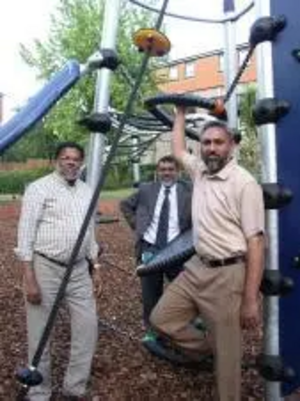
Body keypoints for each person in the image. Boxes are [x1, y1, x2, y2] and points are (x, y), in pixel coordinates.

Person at [149, 109, 265, 401]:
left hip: (228, 275)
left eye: (218, 142)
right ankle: (210, 348)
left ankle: (224, 356)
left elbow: (256, 244)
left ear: (231, 146)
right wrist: (180, 113)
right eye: (207, 142)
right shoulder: (200, 170)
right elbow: (177, 149)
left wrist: (250, 300)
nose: (211, 148)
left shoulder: (244, 183)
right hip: (195, 269)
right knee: (161, 319)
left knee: (227, 371)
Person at [15, 142, 100, 401]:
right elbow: (25, 233)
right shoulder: (39, 188)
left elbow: (90, 232)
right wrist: (28, 277)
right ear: (57, 161)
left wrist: (96, 266)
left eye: (75, 159)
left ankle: (75, 388)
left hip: (78, 271)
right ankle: (39, 391)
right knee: (40, 331)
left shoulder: (87, 191)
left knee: (88, 326)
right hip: (46, 267)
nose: (71, 162)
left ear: (81, 162)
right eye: (65, 158)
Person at [120, 155, 192, 342]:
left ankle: (183, 326)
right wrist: (138, 226)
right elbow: (125, 205)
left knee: (186, 290)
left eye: (170, 169)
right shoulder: (146, 190)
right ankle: (152, 331)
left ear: (178, 171)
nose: (166, 173)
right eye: (163, 169)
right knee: (150, 293)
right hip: (150, 248)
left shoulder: (189, 191)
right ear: (157, 171)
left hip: (177, 250)